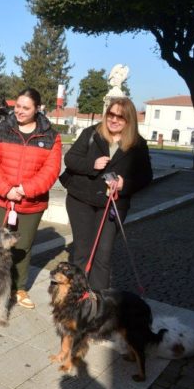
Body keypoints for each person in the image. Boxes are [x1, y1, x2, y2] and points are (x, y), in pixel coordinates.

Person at [0, 88, 61, 310]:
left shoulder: (51, 136)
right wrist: (6, 189)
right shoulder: (0, 129)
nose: (20, 111)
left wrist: (25, 190)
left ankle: (18, 287)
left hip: (30, 203)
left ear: (37, 109)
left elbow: (51, 170)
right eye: (17, 106)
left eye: (26, 108)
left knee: (23, 246)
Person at [60, 97, 152, 290]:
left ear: (129, 120)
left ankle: (98, 299)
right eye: (111, 114)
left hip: (113, 205)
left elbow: (146, 177)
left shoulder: (138, 144)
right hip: (81, 200)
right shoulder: (91, 133)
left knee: (103, 254)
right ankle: (78, 297)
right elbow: (70, 159)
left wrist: (125, 184)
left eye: (120, 117)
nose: (114, 119)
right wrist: (91, 165)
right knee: (82, 252)